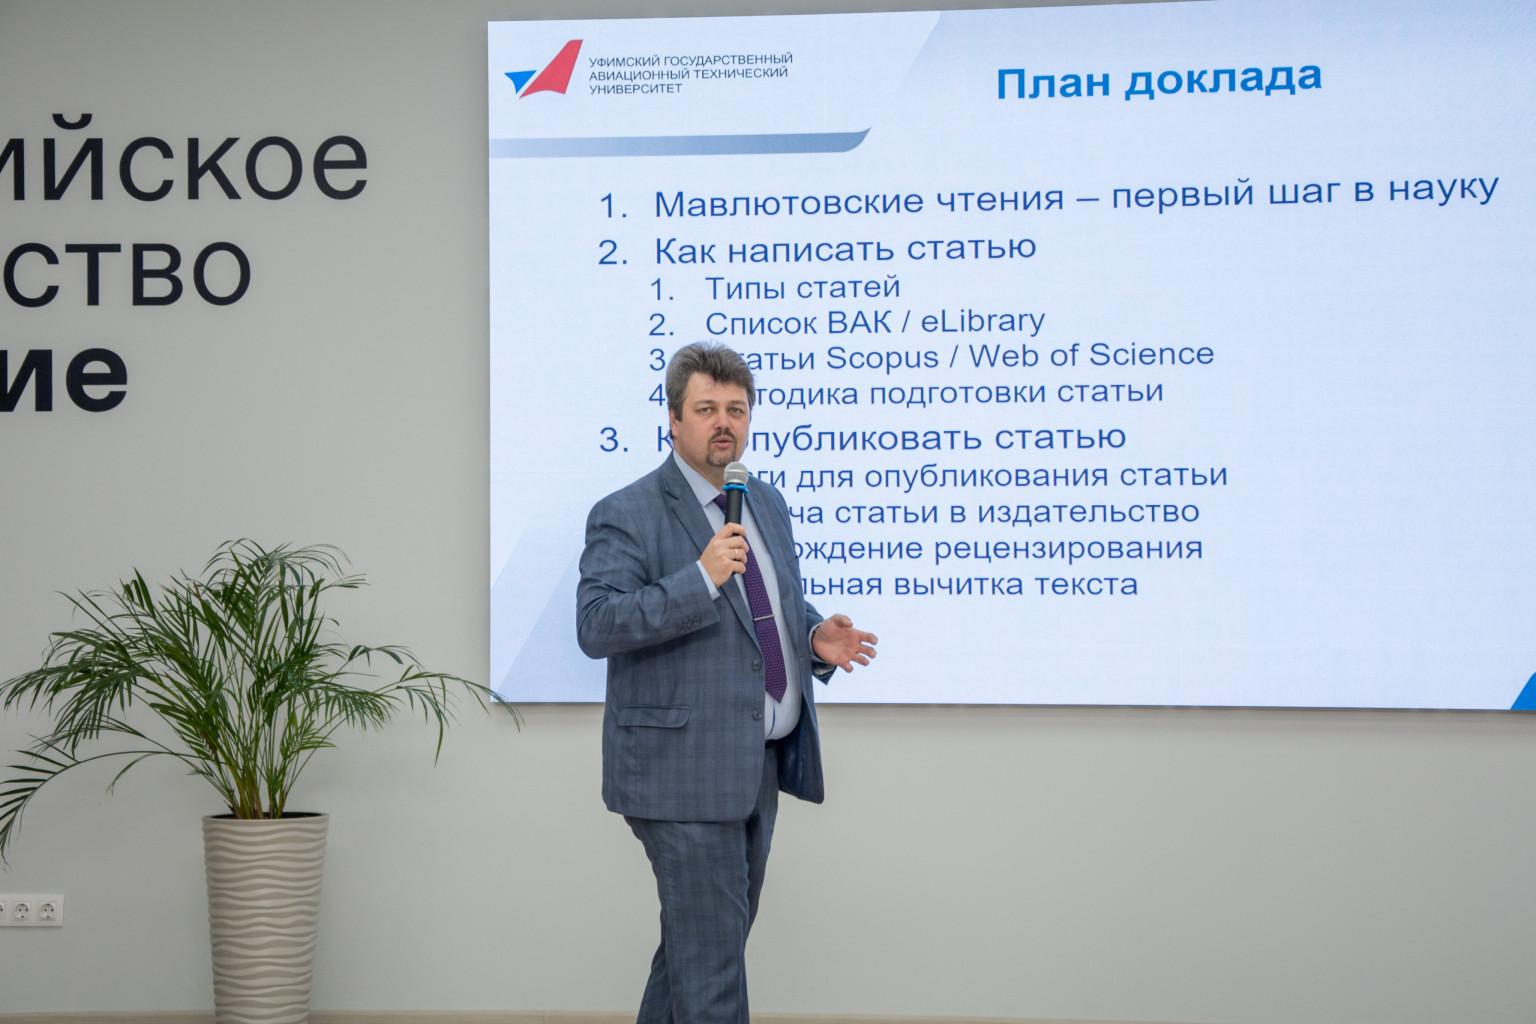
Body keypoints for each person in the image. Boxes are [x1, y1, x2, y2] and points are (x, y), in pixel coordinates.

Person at [577, 342, 877, 1024]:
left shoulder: (763, 501)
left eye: (736, 410)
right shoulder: (627, 511)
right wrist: (699, 578)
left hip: (753, 766)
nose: (724, 423)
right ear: (673, 420)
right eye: (706, 408)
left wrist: (812, 638)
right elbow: (597, 625)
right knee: (712, 970)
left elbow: (769, 604)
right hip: (680, 773)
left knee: (699, 953)